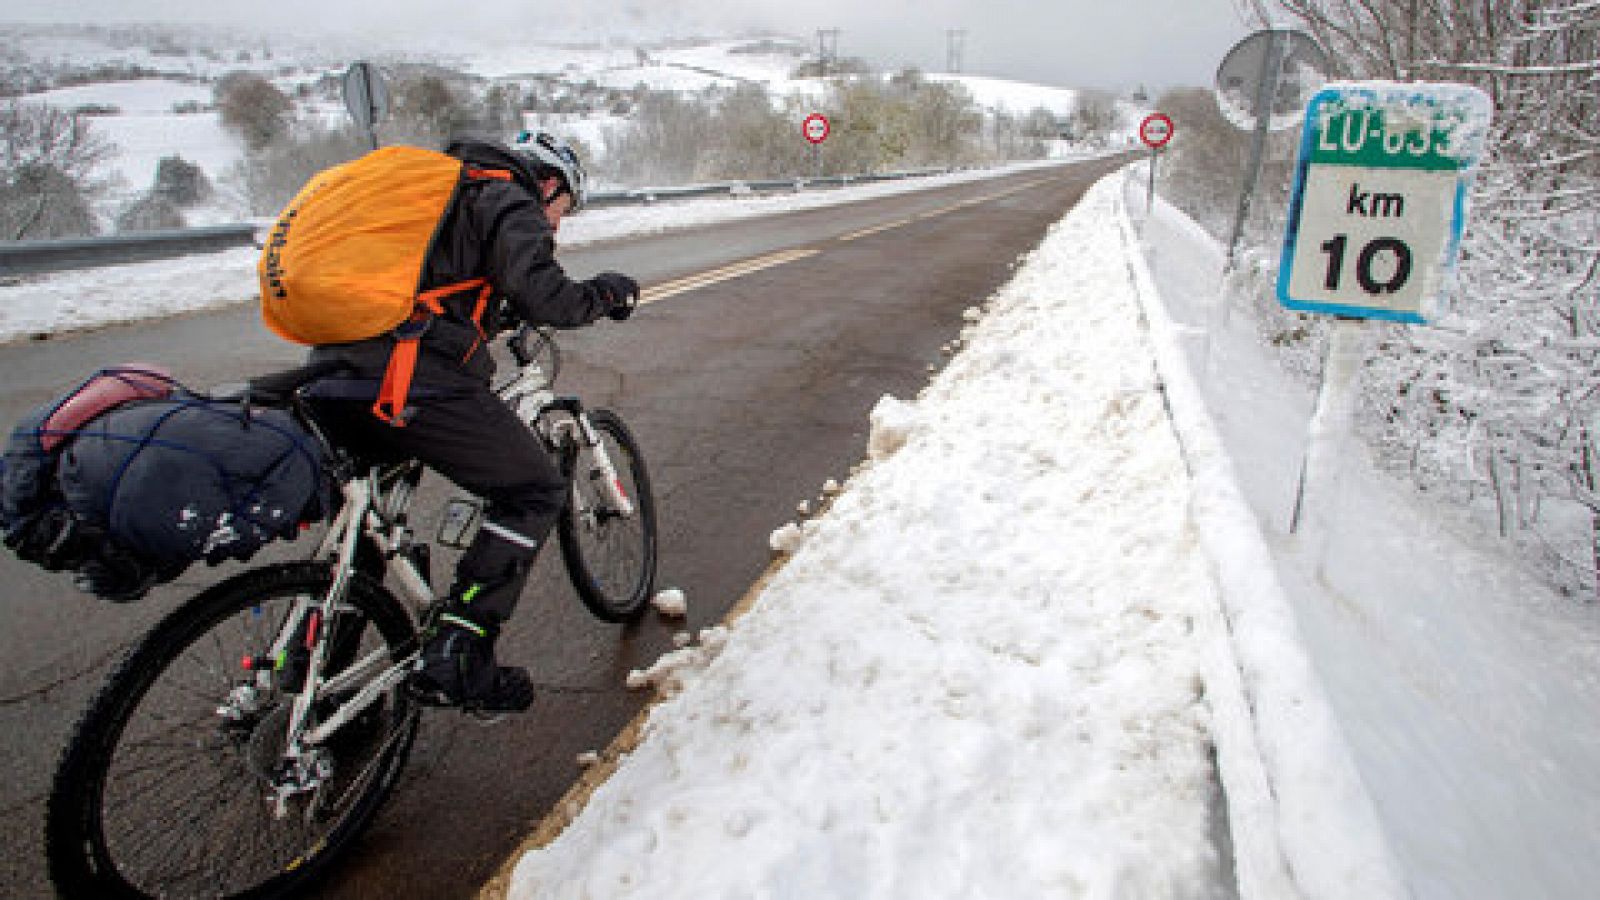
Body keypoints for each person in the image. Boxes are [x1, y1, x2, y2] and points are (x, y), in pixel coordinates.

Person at [306, 131, 640, 712]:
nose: (557, 225)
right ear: (549, 183)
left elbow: (440, 287)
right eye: (562, 209)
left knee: (368, 529)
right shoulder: (507, 196)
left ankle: (312, 686)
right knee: (535, 489)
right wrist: (607, 293)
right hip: (410, 378)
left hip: (330, 372)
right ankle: (462, 649)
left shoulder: (435, 198)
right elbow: (548, 297)